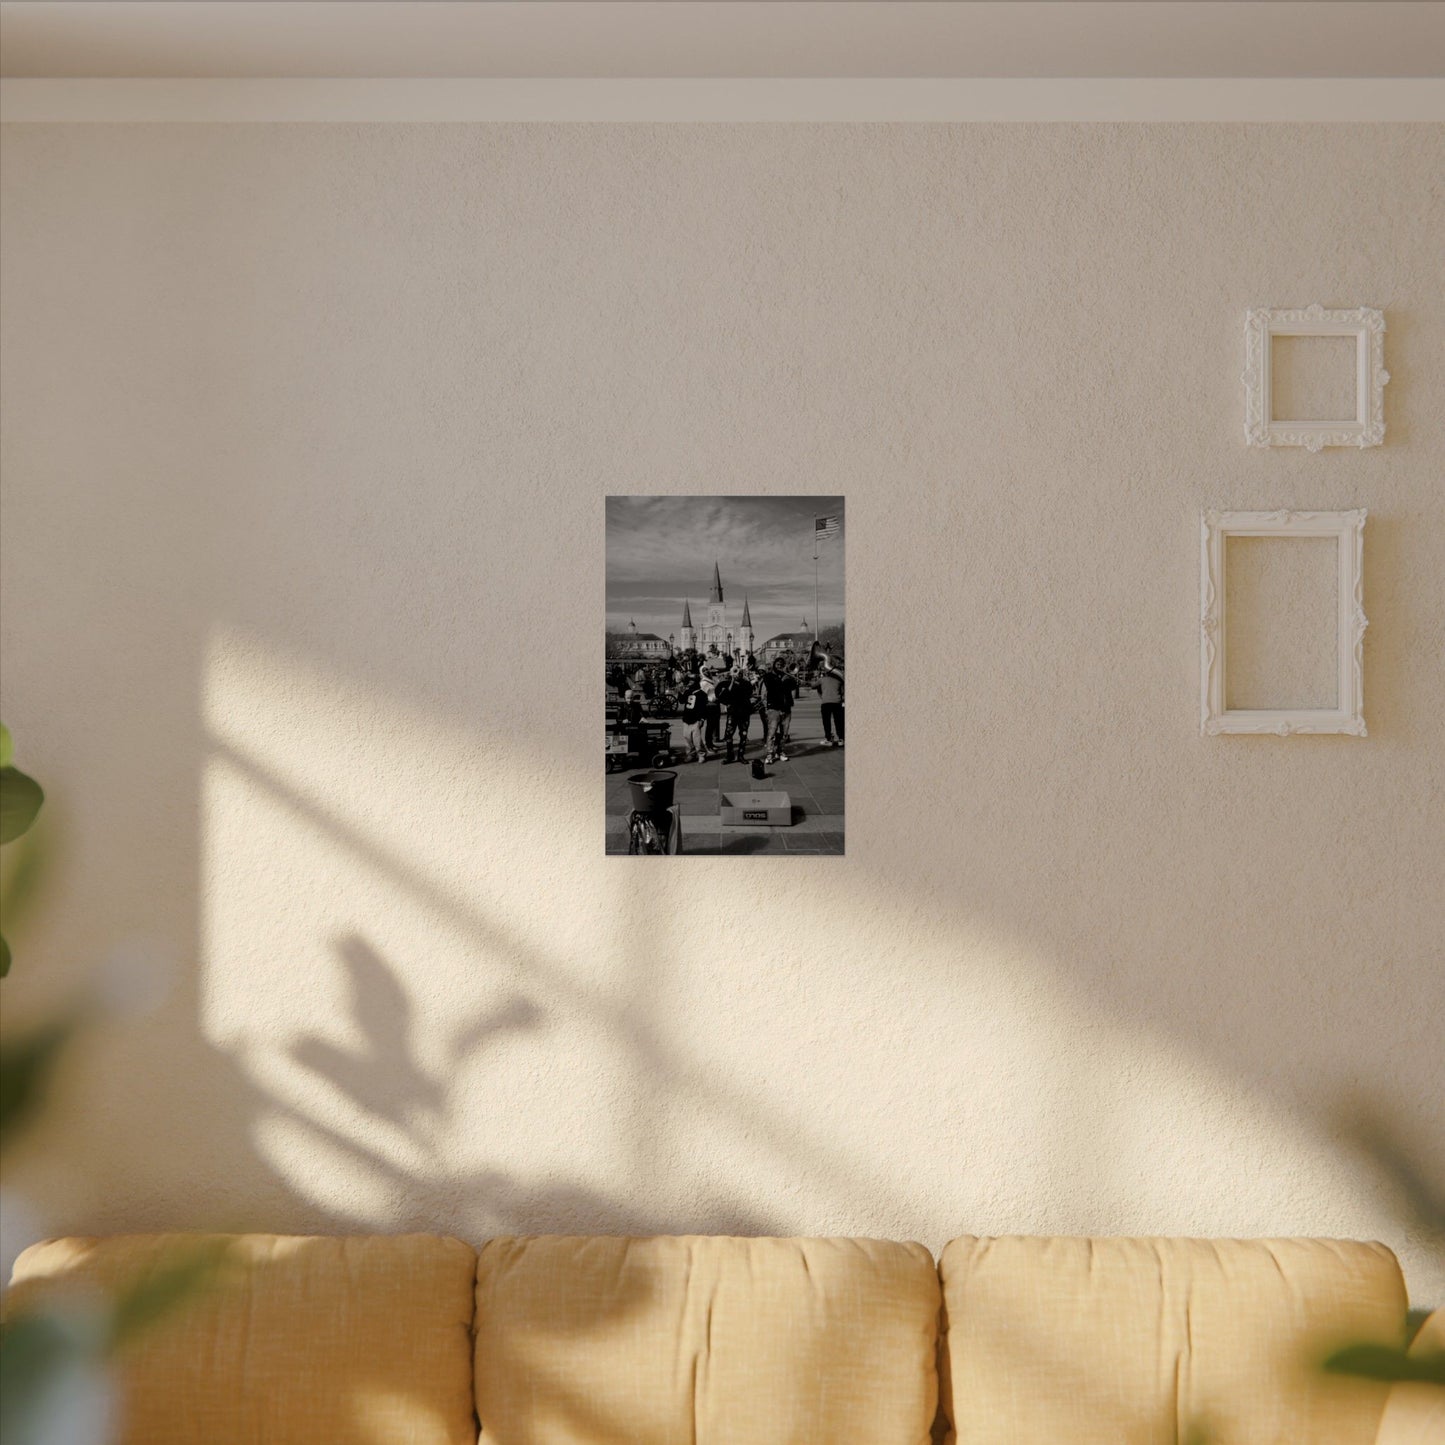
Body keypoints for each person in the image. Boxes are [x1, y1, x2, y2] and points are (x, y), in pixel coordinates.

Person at [759, 657, 798, 764]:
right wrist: (782, 680)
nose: (779, 666)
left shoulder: (787, 677)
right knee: (772, 733)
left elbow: (794, 686)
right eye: (777, 664)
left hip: (786, 708)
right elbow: (771, 687)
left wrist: (792, 677)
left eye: (781, 664)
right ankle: (769, 754)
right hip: (774, 708)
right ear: (774, 665)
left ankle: (780, 752)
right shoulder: (768, 676)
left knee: (784, 733)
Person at [721, 662, 755, 763]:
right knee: (728, 734)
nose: (738, 674)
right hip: (733, 713)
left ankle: (741, 755)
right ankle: (729, 755)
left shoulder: (746, 683)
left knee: (743, 735)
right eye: (736, 672)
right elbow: (726, 695)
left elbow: (749, 693)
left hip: (744, 713)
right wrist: (732, 680)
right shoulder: (729, 683)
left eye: (740, 672)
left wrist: (742, 680)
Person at [678, 669, 709, 763]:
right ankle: (691, 754)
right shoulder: (688, 692)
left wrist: (702, 719)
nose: (689, 683)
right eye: (689, 681)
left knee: (697, 739)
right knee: (687, 738)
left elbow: (704, 708)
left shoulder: (702, 694)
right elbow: (682, 701)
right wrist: (680, 692)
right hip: (687, 718)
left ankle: (701, 754)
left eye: (691, 681)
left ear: (696, 682)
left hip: (696, 719)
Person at [817, 654, 844, 747]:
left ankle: (828, 739)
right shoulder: (839, 679)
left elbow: (812, 685)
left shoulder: (822, 679)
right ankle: (841, 739)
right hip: (837, 702)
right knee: (839, 721)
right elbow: (842, 692)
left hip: (826, 703)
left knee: (826, 722)